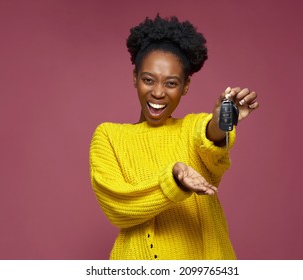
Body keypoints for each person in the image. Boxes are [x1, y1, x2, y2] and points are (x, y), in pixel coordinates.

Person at [89, 15, 259, 260]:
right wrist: (175, 180)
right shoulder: (109, 136)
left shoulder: (192, 129)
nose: (158, 92)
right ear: (134, 77)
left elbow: (210, 136)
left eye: (171, 83)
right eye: (148, 80)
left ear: (186, 86)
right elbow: (118, 207)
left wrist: (223, 122)